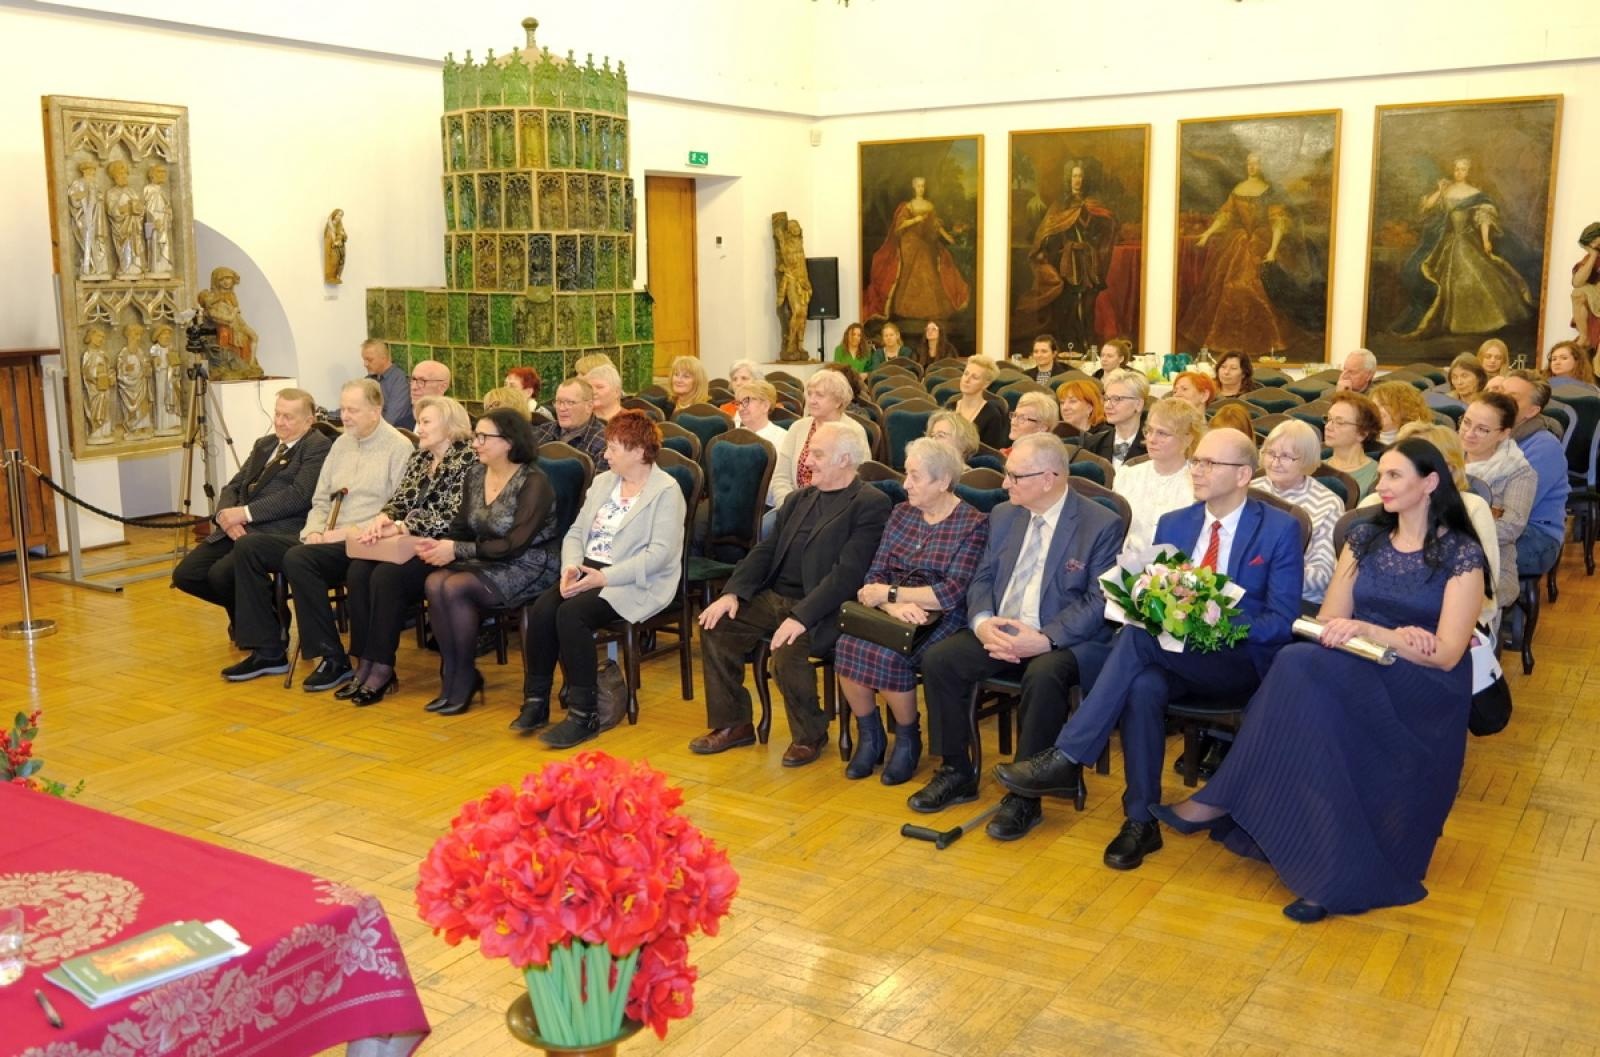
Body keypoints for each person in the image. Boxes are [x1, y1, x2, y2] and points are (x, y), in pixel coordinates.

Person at [1150, 438, 1489, 922]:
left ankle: (1221, 801)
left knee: (1300, 675)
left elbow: (1447, 653)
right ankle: (1322, 863)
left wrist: (1377, 632)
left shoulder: (1460, 554)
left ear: (1430, 483)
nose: (1381, 486)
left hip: (1422, 689)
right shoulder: (1366, 537)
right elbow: (1330, 619)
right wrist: (1376, 635)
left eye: (1394, 476)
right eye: (1381, 476)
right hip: (1359, 661)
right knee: (1298, 667)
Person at [994, 428, 1304, 864]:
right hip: (1169, 653)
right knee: (1141, 683)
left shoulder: (1278, 529)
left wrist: (1210, 617)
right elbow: (1158, 596)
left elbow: (1281, 621)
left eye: (1210, 463)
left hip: (1237, 661)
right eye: (1196, 460)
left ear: (1243, 475)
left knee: (1139, 641)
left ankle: (1068, 754)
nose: (1197, 470)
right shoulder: (1175, 523)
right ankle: (1140, 821)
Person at [907, 434, 1125, 833]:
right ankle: (957, 771)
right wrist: (984, 621)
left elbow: (1099, 601)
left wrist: (1044, 639)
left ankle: (1025, 796)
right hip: (1002, 627)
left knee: (1044, 674)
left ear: (1049, 478)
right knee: (940, 659)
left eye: (1015, 476)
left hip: (1064, 639)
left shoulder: (1100, 524)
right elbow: (983, 576)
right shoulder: (1005, 515)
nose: (1005, 485)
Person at [690, 423, 892, 764]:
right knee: (717, 625)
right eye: (809, 452)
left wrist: (801, 617)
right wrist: (733, 594)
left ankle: (810, 733)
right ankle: (734, 723)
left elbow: (847, 575)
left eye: (817, 454)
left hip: (826, 608)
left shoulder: (870, 503)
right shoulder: (801, 498)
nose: (808, 462)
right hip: (776, 597)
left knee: (786, 650)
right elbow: (764, 551)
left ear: (845, 459)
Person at [224, 379, 412, 684]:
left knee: (299, 560)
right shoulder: (341, 443)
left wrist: (344, 533)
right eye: (343, 408)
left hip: (363, 542)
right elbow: (321, 498)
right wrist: (313, 531)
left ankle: (333, 657)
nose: (345, 416)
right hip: (322, 538)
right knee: (249, 547)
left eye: (353, 410)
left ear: (376, 411)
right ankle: (268, 650)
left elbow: (397, 510)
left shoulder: (398, 448)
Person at [518, 412, 687, 747]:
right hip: (589, 569)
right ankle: (535, 701)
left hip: (635, 579)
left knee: (571, 614)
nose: (605, 455)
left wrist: (604, 577)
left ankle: (584, 714)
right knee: (543, 608)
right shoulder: (603, 482)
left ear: (639, 451)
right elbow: (577, 533)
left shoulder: (666, 491)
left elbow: (660, 556)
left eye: (613, 448)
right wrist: (570, 567)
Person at [835, 438, 989, 783]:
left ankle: (908, 738)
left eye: (915, 477)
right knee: (846, 645)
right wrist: (894, 605)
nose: (906, 484)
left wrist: (889, 594)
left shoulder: (973, 523)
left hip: (943, 618)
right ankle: (870, 736)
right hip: (895, 611)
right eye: (907, 474)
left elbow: (951, 592)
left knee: (891, 656)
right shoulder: (902, 512)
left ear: (943, 482)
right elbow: (875, 572)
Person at [418, 408, 559, 716]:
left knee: (455, 587)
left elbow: (514, 545)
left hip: (530, 563)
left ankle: (464, 676)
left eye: (483, 437)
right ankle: (455, 675)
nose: (475, 443)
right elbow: (462, 526)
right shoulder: (476, 474)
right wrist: (441, 545)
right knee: (434, 582)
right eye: (475, 436)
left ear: (509, 441)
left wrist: (457, 550)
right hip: (487, 557)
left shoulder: (534, 482)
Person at [337, 396, 477, 706]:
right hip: (408, 542)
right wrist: (385, 517)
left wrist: (403, 526)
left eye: (426, 422)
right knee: (359, 570)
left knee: (388, 577)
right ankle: (364, 662)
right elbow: (400, 499)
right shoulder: (420, 458)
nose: (418, 428)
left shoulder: (469, 459)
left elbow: (455, 517)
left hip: (444, 547)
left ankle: (383, 667)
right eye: (419, 421)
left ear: (451, 426)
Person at [172, 389, 331, 634]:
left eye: (288, 417)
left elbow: (298, 496)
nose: (279, 422)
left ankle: (259, 627)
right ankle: (266, 614)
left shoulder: (316, 447)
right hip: (238, 527)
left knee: (221, 574)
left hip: (278, 529)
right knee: (187, 574)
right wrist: (227, 517)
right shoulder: (265, 445)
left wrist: (245, 513)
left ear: (308, 421)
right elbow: (234, 485)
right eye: (277, 414)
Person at [1396, 156, 1534, 339]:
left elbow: (1483, 218)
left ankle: (1478, 321)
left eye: (1463, 169)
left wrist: (1486, 241)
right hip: (1447, 240)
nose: (1459, 173)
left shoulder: (1475, 193)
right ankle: (1446, 321)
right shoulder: (1446, 190)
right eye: (1457, 169)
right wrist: (1439, 190)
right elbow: (1427, 207)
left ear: (1469, 172)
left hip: (1466, 240)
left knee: (1475, 274)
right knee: (1425, 272)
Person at [1177, 153, 1300, 357]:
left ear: (1262, 166)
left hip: (1263, 241)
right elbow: (1226, 215)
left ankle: (1265, 341)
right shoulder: (1238, 189)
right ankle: (1226, 341)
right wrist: (1207, 234)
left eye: (1256, 163)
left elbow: (1278, 222)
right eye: (1249, 163)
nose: (1251, 167)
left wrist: (1272, 249)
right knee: (1226, 289)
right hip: (1238, 241)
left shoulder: (1269, 192)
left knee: (1253, 288)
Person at [1014, 161, 1117, 355]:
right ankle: (1071, 345)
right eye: (1074, 176)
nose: (1078, 180)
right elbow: (1048, 231)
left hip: (1087, 262)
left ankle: (1088, 345)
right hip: (1068, 263)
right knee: (1068, 305)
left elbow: (1105, 227)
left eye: (1080, 176)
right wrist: (1049, 249)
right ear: (1068, 179)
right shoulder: (1061, 205)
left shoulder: (1094, 205)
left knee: (1087, 303)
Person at [1486, 370, 1570, 582]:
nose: (1501, 400)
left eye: (1512, 397)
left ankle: (1499, 613)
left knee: (1461, 554)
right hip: (1492, 520)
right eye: (1501, 391)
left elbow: (1510, 509)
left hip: (1535, 534)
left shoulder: (1544, 446)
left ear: (1532, 411)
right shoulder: (1490, 433)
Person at [862, 175, 971, 334]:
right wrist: (915, 220)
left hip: (924, 243)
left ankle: (926, 310)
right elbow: (899, 227)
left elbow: (934, 225)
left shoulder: (929, 205)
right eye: (919, 186)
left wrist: (947, 236)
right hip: (909, 243)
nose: (921, 188)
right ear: (914, 187)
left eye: (923, 186)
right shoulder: (908, 206)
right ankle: (905, 310)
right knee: (909, 274)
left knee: (928, 270)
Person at [1252, 419, 1343, 605]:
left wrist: (1268, 570)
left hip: (1297, 599)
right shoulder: (1250, 489)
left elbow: (1322, 576)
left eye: (1286, 456)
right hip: (1248, 591)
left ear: (1306, 459)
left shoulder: (1328, 503)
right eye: (1271, 453)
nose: (1275, 462)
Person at [1459, 391, 1536, 607]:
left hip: (1491, 565)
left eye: (1482, 430)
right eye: (1466, 422)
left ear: (1504, 433)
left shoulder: (1519, 472)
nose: (1469, 433)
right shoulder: (1445, 456)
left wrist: (1451, 530)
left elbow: (1510, 527)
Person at [769, 369, 870, 516]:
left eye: (819, 395)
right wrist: (789, 505)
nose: (811, 400)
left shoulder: (854, 431)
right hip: (793, 508)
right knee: (766, 528)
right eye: (809, 394)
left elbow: (859, 482)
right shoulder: (798, 428)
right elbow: (781, 477)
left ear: (838, 401)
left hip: (834, 512)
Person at [1113, 397, 1201, 558]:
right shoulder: (1127, 475)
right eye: (1149, 431)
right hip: (1125, 568)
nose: (1152, 439)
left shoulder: (1199, 483)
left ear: (1188, 439)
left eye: (1162, 433)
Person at [532, 376, 610, 472]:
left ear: (589, 406)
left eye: (569, 403)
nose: (561, 408)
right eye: (558, 402)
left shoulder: (604, 442)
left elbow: (601, 485)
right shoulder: (542, 431)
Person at [1081, 369, 1149, 466]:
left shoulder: (1153, 445)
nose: (1107, 405)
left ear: (1138, 404)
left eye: (1117, 399)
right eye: (1106, 399)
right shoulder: (1094, 443)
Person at [1324, 391, 1382, 498]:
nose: (1328, 426)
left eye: (1340, 422)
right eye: (1328, 419)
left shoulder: (1377, 475)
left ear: (1362, 433)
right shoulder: (1314, 469)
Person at [945, 355, 1009, 449]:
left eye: (974, 377)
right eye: (966, 374)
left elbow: (991, 452)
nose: (967, 380)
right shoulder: (949, 407)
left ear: (986, 384)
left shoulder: (992, 414)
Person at [359, 340, 412, 429]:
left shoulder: (399, 380)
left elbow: (391, 419)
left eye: (369, 360)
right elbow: (356, 405)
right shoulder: (369, 379)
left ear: (384, 358)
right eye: (364, 360)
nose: (365, 364)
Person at [1370, 380, 1434, 445]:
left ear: (1405, 408)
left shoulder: (1421, 442)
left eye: (1383, 404)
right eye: (1374, 405)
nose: (1376, 410)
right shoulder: (1365, 440)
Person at [1571, 221, 1600, 348]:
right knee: (1578, 293)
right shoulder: (1592, 258)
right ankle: (1584, 337)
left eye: (1595, 241)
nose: (1594, 245)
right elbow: (1577, 283)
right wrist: (1593, 255)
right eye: (1591, 244)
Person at [1056, 379, 1109, 445]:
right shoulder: (1055, 435)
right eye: (1062, 402)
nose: (1064, 408)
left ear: (1090, 407)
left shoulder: (1107, 436)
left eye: (1073, 401)